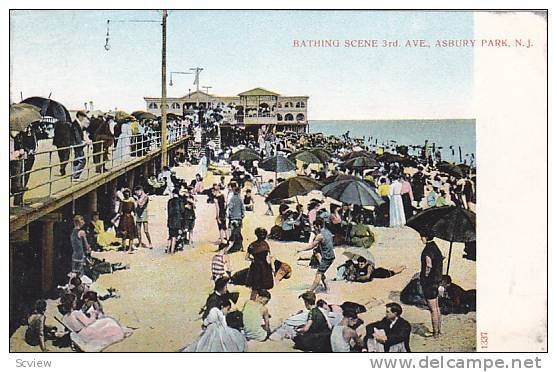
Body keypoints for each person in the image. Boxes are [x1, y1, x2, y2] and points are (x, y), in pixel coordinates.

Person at [182, 299, 246, 352]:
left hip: (218, 329)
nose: (227, 311)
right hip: (213, 329)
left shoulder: (222, 315)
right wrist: (205, 323)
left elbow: (224, 324)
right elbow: (210, 319)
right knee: (209, 342)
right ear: (222, 307)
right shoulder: (216, 311)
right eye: (227, 309)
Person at [296, 218, 335, 293]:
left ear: (319, 226)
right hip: (331, 256)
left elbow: (311, 246)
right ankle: (327, 288)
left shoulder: (320, 236)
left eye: (315, 227)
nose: (314, 228)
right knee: (321, 271)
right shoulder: (328, 232)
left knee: (318, 274)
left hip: (326, 257)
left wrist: (301, 249)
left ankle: (310, 291)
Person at [420, 233, 444, 338]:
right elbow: (441, 258)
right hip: (437, 281)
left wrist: (425, 276)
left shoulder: (428, 250)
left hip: (429, 283)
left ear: (426, 237)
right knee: (437, 308)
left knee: (433, 309)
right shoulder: (435, 247)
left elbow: (428, 265)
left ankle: (435, 333)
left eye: (421, 236)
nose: (420, 238)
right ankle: (439, 331)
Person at [245, 228, 274, 300]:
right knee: (263, 287)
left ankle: (252, 302)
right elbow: (269, 258)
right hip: (264, 267)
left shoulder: (252, 245)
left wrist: (254, 259)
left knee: (254, 288)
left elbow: (247, 258)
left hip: (255, 267)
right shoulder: (265, 245)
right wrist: (273, 268)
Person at [70, 111, 90, 181]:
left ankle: (75, 176)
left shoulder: (77, 123)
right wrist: (82, 142)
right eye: (83, 116)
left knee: (77, 160)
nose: (84, 118)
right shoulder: (75, 124)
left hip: (76, 144)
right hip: (77, 144)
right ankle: (75, 176)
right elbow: (76, 135)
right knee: (82, 160)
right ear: (79, 116)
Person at [116, 189, 137, 254]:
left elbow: (119, 212)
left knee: (125, 234)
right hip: (129, 218)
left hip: (124, 218)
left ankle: (125, 249)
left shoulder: (123, 202)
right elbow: (135, 212)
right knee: (129, 234)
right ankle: (128, 249)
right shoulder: (131, 202)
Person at [167, 188, 185, 254]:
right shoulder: (180, 201)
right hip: (177, 221)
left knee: (170, 236)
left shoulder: (169, 201)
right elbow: (182, 211)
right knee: (174, 236)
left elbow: (168, 211)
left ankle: (168, 250)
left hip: (170, 220)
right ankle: (172, 251)